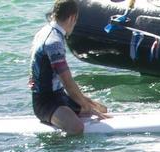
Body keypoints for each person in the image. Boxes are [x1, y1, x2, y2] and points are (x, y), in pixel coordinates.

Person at [30, 0, 108, 134]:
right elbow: (67, 82)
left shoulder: (47, 30)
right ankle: (57, 150)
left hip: (59, 95)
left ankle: (76, 110)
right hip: (46, 102)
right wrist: (85, 106)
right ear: (72, 18)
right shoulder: (54, 42)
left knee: (101, 108)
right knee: (77, 127)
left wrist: (86, 103)